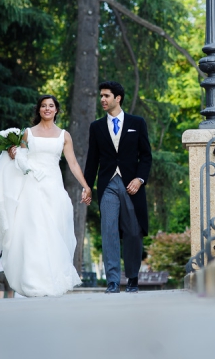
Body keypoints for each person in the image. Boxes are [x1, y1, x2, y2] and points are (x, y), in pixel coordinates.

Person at [0, 94, 91, 297]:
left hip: (53, 187)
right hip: (32, 187)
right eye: (43, 106)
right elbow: (21, 160)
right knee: (34, 231)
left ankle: (52, 280)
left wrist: (86, 186)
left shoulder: (64, 136)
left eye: (51, 106)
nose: (47, 109)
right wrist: (13, 154)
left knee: (54, 232)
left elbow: (72, 163)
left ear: (56, 110)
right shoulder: (28, 134)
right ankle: (33, 282)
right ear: (39, 110)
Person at [84, 81, 152, 293]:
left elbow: (146, 156)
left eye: (106, 96)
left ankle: (132, 278)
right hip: (108, 186)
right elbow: (92, 160)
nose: (102, 99)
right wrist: (87, 186)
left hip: (132, 185)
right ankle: (113, 281)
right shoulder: (96, 127)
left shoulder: (137, 123)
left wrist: (139, 179)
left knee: (133, 232)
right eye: (101, 96)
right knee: (109, 231)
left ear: (118, 98)